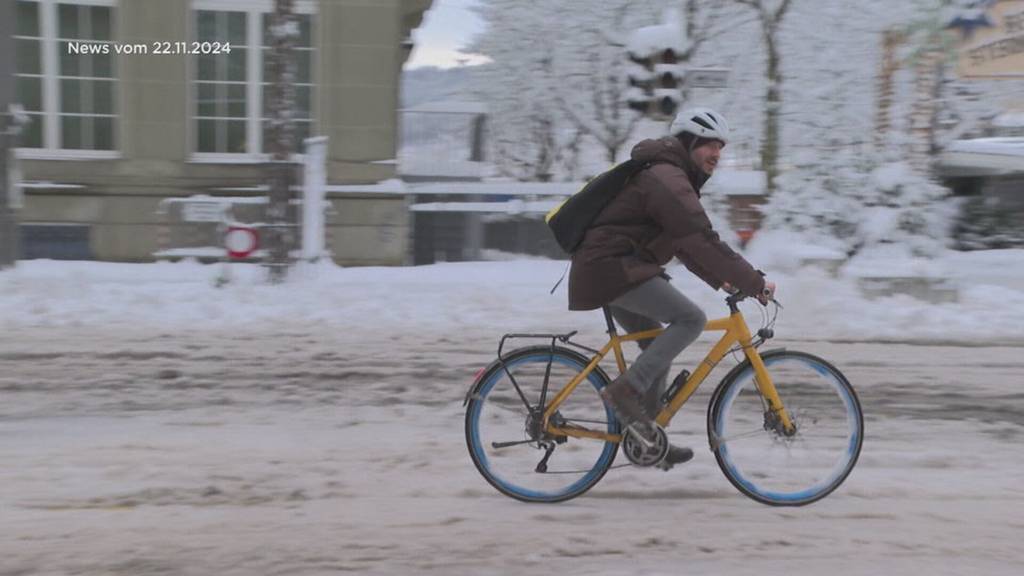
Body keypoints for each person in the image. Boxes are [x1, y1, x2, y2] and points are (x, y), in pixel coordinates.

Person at [567, 107, 776, 467]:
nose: (716, 155)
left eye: (721, 148)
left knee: (656, 346)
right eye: (710, 145)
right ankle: (625, 393)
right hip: (613, 269)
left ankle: (645, 437)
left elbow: (685, 245)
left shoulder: (670, 175)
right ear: (689, 143)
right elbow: (700, 237)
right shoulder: (668, 177)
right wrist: (752, 281)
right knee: (690, 320)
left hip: (615, 268)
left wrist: (726, 281)